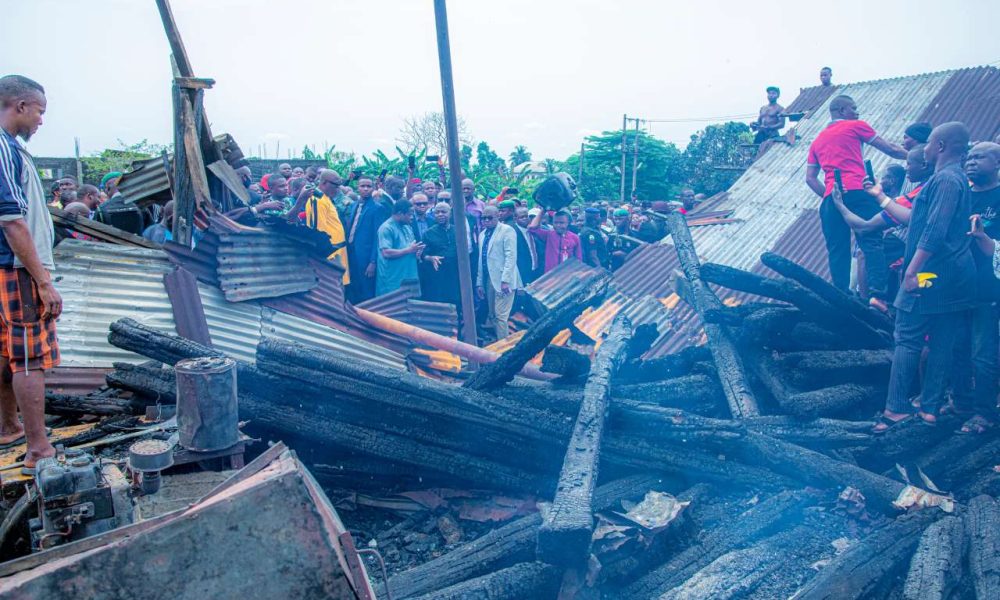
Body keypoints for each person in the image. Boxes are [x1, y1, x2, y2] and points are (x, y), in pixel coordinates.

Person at [873, 122, 977, 433]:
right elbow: (917, 219)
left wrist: (912, 269)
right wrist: (880, 198)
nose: (924, 148)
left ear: (942, 147)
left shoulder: (945, 180)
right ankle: (929, 408)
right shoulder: (951, 180)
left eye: (929, 143)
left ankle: (895, 410)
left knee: (907, 336)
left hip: (933, 273)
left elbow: (934, 230)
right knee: (943, 339)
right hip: (954, 273)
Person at [0, 74, 61, 472]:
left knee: (6, 352)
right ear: (19, 106)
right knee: (28, 357)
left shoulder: (11, 149)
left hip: (8, 268)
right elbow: (12, 221)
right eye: (39, 111)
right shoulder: (3, 148)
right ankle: (38, 448)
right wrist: (42, 280)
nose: (40, 119)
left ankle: (8, 427)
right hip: (17, 269)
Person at [806, 94, 907, 304]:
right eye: (853, 108)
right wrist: (917, 157)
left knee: (837, 249)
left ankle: (841, 295)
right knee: (871, 241)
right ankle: (878, 295)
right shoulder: (856, 126)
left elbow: (810, 179)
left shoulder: (817, 141)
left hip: (830, 200)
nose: (857, 112)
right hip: (857, 192)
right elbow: (890, 149)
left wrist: (832, 197)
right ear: (842, 111)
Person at [950, 142, 1000, 434]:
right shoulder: (961, 195)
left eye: (980, 157)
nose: (971, 162)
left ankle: (985, 413)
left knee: (983, 353)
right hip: (957, 286)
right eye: (969, 157)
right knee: (957, 347)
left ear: (996, 163)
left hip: (988, 288)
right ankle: (961, 402)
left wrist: (983, 238)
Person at [289, 169, 349, 283]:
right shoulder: (316, 199)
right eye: (335, 185)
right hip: (331, 255)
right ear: (324, 182)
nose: (338, 189)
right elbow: (318, 231)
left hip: (337, 252)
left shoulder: (325, 198)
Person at [476, 205, 520, 340]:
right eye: (483, 218)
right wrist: (479, 283)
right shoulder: (482, 234)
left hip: (504, 279)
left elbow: (511, 256)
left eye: (489, 218)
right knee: (493, 315)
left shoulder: (507, 230)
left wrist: (505, 280)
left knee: (501, 316)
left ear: (498, 216)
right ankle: (500, 342)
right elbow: (481, 259)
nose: (486, 220)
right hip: (489, 279)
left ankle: (505, 348)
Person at [343, 177, 389, 303]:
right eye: (363, 186)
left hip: (366, 257)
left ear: (373, 188)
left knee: (366, 289)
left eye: (369, 186)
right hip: (351, 253)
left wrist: (373, 262)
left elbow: (377, 237)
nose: (365, 189)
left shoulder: (377, 208)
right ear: (358, 188)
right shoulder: (354, 206)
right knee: (353, 286)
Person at [376, 199, 422, 297]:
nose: (412, 217)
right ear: (400, 213)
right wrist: (409, 250)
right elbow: (386, 252)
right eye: (409, 214)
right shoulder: (386, 228)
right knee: (391, 308)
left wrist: (417, 252)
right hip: (392, 279)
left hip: (409, 277)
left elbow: (410, 248)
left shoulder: (407, 227)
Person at [421, 202, 462, 305]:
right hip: (437, 275)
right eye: (437, 212)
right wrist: (430, 258)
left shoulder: (458, 230)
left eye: (443, 212)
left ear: (450, 213)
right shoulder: (428, 233)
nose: (440, 214)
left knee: (456, 301)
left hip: (456, 274)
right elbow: (422, 254)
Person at [529, 209, 581, 273]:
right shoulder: (548, 235)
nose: (558, 225)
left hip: (568, 274)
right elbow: (532, 228)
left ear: (568, 223)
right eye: (555, 222)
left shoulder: (575, 238)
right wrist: (543, 210)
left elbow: (578, 259)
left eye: (562, 223)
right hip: (551, 275)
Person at [511, 206, 539, 285]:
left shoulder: (533, 230)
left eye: (526, 216)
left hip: (536, 271)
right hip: (522, 274)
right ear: (515, 218)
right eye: (522, 217)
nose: (525, 218)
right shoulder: (512, 233)